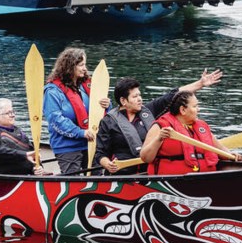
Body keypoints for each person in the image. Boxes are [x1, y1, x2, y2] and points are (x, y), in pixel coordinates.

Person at [94, 72, 223, 175]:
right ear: (123, 100)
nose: (140, 99)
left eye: (140, 95)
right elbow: (100, 154)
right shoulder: (108, 122)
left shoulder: (149, 110)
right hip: (124, 173)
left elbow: (173, 95)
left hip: (148, 172)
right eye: (135, 97)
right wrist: (108, 164)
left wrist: (200, 83)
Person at [139, 90, 242, 175]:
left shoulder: (201, 127)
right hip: (175, 183)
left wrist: (231, 155)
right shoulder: (160, 126)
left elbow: (220, 149)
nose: (198, 109)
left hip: (205, 178)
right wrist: (159, 139)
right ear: (183, 110)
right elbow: (145, 158)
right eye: (195, 106)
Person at [42, 47, 110, 175]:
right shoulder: (52, 92)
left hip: (91, 143)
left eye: (85, 64)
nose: (85, 68)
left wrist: (107, 105)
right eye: (81, 65)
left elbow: (99, 113)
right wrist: (80, 133)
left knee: (97, 177)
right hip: (67, 147)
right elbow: (55, 119)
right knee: (73, 181)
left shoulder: (86, 87)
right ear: (69, 67)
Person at [0, 98, 47, 175]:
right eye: (8, 113)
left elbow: (32, 153)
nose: (13, 115)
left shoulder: (18, 132)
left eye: (12, 112)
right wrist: (24, 155)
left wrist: (36, 168)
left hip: (20, 175)